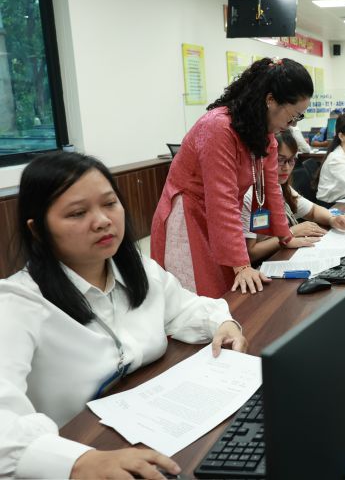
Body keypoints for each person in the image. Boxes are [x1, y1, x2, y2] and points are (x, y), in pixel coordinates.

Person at [0, 152, 246, 480]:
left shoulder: (137, 270)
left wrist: (224, 323)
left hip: (156, 428)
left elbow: (186, 308)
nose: (102, 220)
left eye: (110, 203)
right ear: (39, 230)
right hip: (85, 452)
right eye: (77, 213)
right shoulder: (16, 305)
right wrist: (77, 462)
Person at [150, 57, 316, 299]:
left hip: (221, 219)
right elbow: (221, 200)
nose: (291, 125)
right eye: (292, 116)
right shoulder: (218, 128)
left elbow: (272, 190)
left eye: (298, 119)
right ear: (270, 100)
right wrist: (241, 264)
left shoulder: (265, 135)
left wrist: (285, 236)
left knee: (229, 291)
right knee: (198, 297)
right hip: (189, 216)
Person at [241, 131, 345, 264]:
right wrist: (292, 232)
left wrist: (332, 219)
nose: (287, 168)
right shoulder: (249, 194)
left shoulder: (279, 186)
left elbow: (312, 211)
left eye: (291, 160)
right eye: (280, 160)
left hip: (281, 257)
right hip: (263, 268)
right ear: (264, 159)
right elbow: (250, 253)